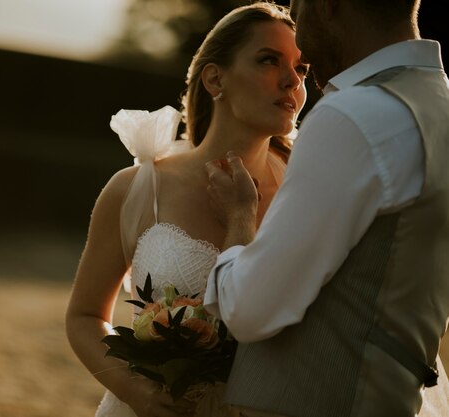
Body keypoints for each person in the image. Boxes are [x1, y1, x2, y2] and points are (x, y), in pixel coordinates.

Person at [204, 0, 449, 416]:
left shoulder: (356, 115)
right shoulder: (437, 107)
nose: (300, 41)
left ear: (327, 5)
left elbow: (250, 309)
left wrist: (240, 219)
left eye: (298, 11)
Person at [65, 3, 308, 417]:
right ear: (215, 78)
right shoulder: (138, 189)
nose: (292, 81)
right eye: (270, 60)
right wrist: (134, 390)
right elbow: (85, 316)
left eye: (302, 69)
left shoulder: (307, 191)